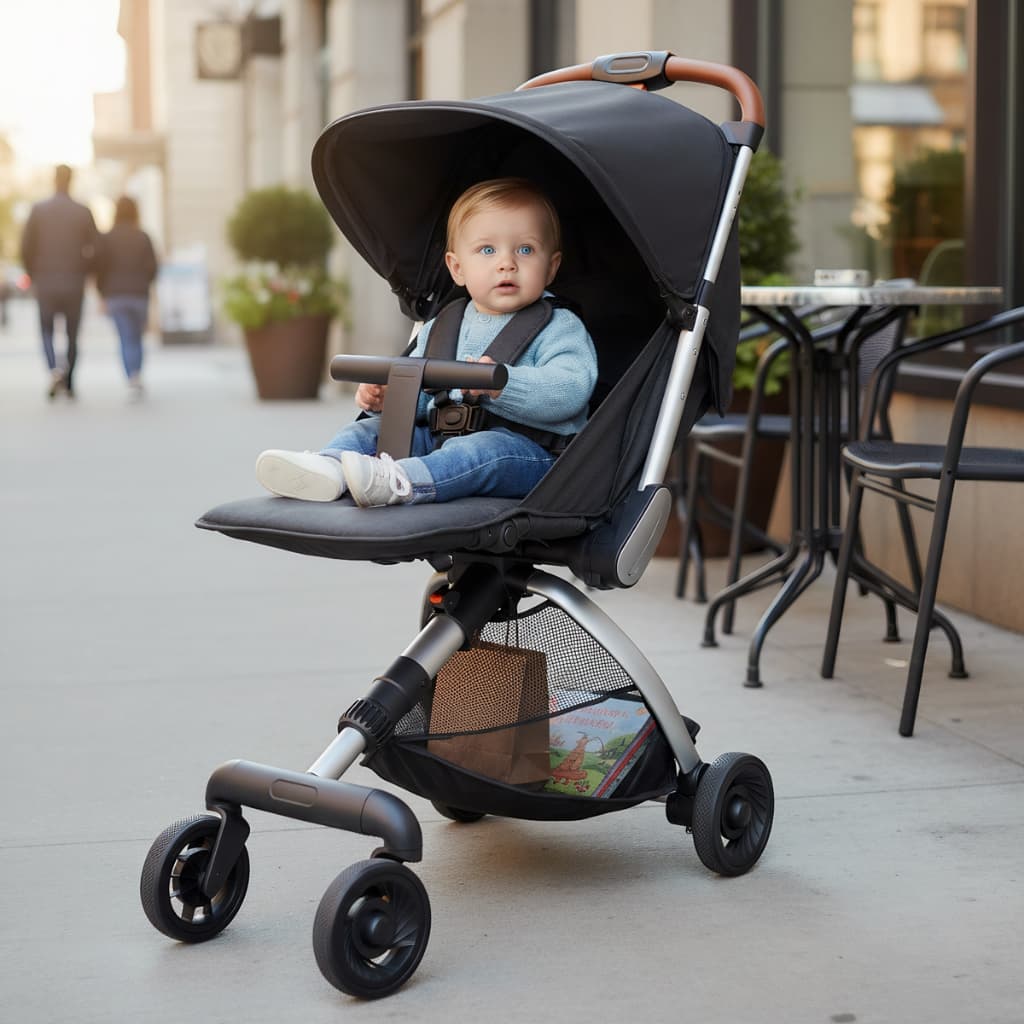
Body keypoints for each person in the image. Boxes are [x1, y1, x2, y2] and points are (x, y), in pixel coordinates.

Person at [256, 177, 597, 508]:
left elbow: (571, 389)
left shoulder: (558, 325)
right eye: (487, 250)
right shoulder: (443, 325)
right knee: (369, 430)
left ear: (551, 268)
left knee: (481, 450)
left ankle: (401, 482)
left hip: (528, 454)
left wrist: (502, 385)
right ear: (457, 268)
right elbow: (424, 396)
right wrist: (389, 397)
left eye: (525, 249)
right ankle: (329, 468)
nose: (506, 263)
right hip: (439, 441)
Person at [20, 164, 98, 399]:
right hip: (74, 282)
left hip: (45, 281)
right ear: (71, 181)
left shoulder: (38, 210)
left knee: (46, 330)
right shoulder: (82, 211)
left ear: (54, 181)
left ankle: (54, 369)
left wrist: (33, 274)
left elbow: (26, 247)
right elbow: (96, 247)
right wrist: (87, 271)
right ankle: (70, 379)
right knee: (72, 334)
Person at [94, 196, 159, 398]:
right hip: (139, 295)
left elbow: (100, 269)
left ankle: (131, 376)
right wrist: (146, 284)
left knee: (125, 337)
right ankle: (137, 374)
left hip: (116, 295)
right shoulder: (143, 236)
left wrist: (102, 294)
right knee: (137, 337)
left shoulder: (106, 238)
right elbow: (153, 267)